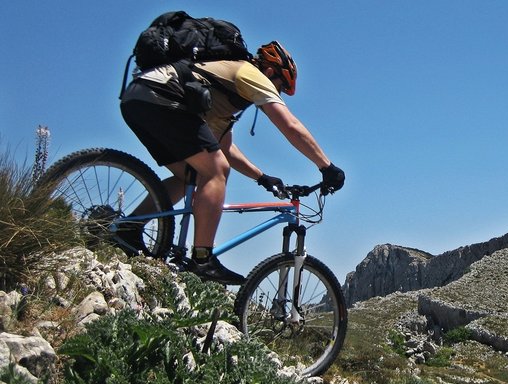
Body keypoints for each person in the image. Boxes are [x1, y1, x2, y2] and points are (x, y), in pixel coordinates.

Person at [119, 41, 345, 284]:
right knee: (216, 172)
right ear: (270, 72)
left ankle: (129, 227)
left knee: (191, 174)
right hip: (161, 98)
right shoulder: (248, 73)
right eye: (279, 86)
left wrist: (261, 177)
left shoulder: (223, 87)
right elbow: (290, 126)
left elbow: (224, 146)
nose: (276, 94)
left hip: (140, 98)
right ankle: (203, 259)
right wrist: (326, 166)